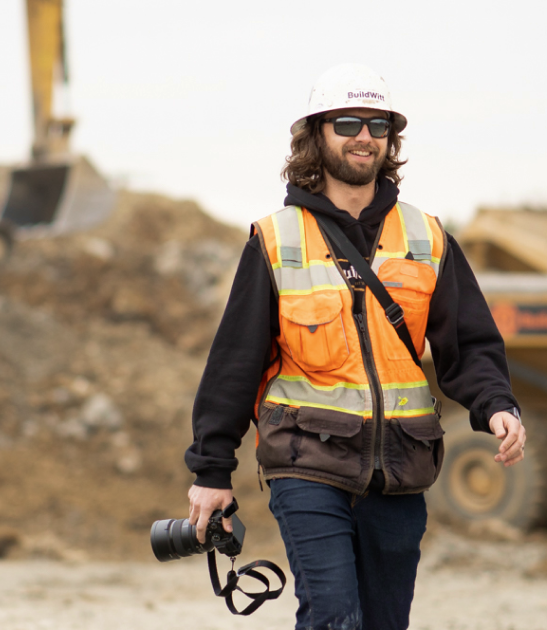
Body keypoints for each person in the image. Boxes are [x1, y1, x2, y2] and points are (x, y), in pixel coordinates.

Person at [183, 63, 525, 630]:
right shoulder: (277, 239)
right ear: (317, 134)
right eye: (347, 122)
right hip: (306, 461)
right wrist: (211, 471)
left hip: (401, 466)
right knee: (334, 617)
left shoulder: (428, 237)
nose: (364, 135)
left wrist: (498, 406)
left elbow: (469, 343)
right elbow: (234, 364)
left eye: (377, 124)